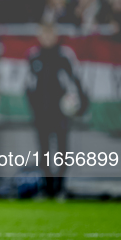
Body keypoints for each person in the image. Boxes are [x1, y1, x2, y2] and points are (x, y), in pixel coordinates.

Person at [26, 23, 87, 197]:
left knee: (62, 151)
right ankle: (48, 187)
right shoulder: (34, 56)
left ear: (55, 36)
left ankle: (60, 186)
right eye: (43, 35)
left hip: (60, 113)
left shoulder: (64, 55)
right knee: (43, 151)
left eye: (49, 34)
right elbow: (29, 85)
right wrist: (34, 108)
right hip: (41, 113)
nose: (46, 38)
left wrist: (78, 104)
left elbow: (75, 80)